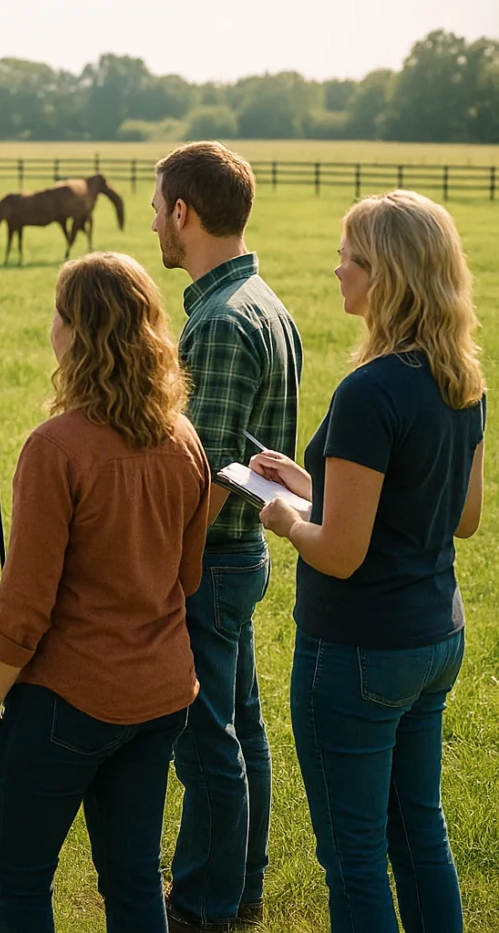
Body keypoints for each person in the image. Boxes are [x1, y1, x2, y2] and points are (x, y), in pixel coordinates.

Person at [251, 190, 483, 933]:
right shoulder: (461, 380)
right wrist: (318, 485)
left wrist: (289, 519)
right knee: (421, 835)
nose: (337, 268)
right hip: (434, 639)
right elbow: (458, 514)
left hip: (356, 650)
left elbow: (342, 553)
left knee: (353, 855)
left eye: (348, 256)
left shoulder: (367, 391)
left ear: (384, 273)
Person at [0, 252, 211, 933]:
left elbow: (24, 609)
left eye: (58, 313)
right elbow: (186, 577)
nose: (51, 326)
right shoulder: (184, 440)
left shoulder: (56, 448)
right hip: (161, 695)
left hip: (67, 703)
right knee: (133, 878)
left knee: (19, 877)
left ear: (79, 333)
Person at [150, 141, 303, 931]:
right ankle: (244, 889)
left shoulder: (217, 321)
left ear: (184, 212)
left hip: (211, 559)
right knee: (242, 729)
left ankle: (204, 906)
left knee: (206, 743)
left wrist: (170, 574)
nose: (153, 222)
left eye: (157, 207)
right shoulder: (267, 302)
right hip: (248, 552)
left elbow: (204, 476)